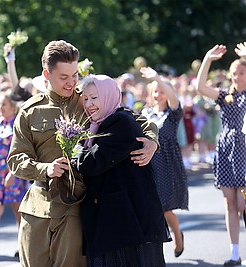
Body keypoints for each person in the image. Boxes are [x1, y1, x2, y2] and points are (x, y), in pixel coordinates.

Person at [7, 40, 160, 267]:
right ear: (46, 74)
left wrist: (152, 142)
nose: (71, 83)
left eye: (74, 75)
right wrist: (44, 168)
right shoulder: (30, 110)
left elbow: (135, 120)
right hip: (37, 207)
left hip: (76, 206)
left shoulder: (88, 100)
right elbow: (15, 159)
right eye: (63, 77)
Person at [74, 74, 168, 267]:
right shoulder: (98, 125)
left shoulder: (119, 122)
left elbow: (92, 163)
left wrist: (73, 149)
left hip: (129, 222)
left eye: (94, 97)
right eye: (85, 99)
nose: (89, 104)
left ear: (109, 95)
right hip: (121, 222)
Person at [196, 43, 246, 267]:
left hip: (244, 151)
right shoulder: (226, 96)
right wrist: (208, 59)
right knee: (230, 204)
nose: (237, 76)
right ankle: (234, 253)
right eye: (234, 73)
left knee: (243, 203)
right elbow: (200, 88)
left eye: (242, 72)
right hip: (226, 151)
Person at [140, 66, 189, 258]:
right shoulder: (146, 113)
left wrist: (158, 79)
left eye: (162, 91)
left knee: (165, 208)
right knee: (153, 208)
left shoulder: (173, 113)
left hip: (168, 165)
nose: (158, 94)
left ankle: (177, 234)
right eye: (155, 91)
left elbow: (173, 97)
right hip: (149, 164)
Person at [0, 91, 28, 257]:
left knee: (18, 211)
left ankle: (22, 246)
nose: (0, 108)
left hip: (13, 172)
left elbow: (22, 151)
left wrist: (13, 173)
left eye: (4, 104)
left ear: (13, 107)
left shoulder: (17, 124)